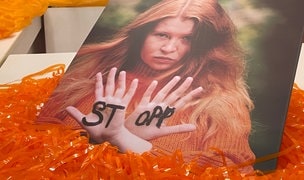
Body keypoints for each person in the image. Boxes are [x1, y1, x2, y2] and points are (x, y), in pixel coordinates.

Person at [38, 0, 255, 173]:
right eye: (162, 34)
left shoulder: (221, 99)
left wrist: (124, 138)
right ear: (141, 34)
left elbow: (234, 169)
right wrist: (96, 140)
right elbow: (34, 141)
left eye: (186, 39)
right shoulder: (89, 79)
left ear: (201, 46)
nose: (169, 48)